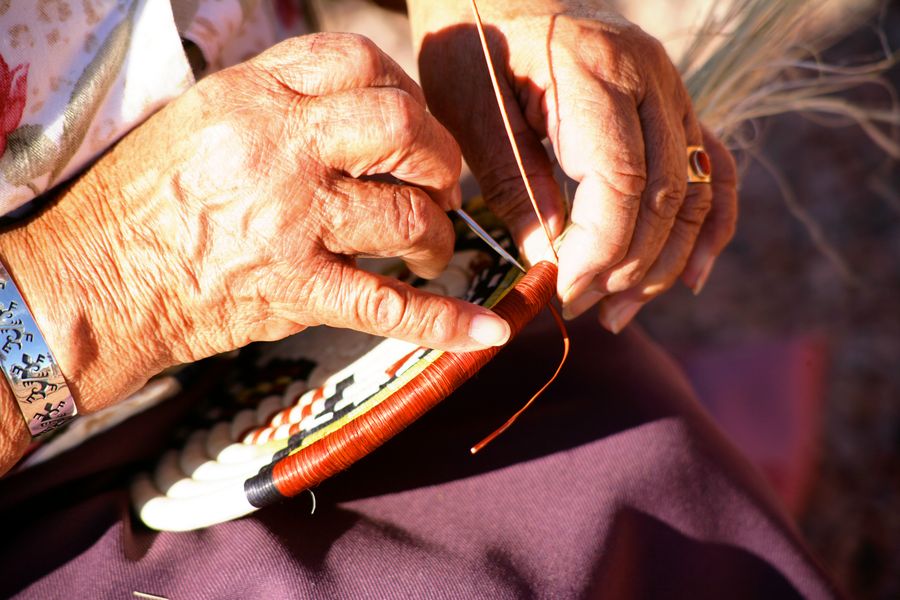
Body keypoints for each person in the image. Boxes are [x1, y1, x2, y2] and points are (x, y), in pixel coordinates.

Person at [0, 1, 835, 597]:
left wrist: (483, 14)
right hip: (42, 481)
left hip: (349, 281)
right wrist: (93, 285)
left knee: (642, 449)